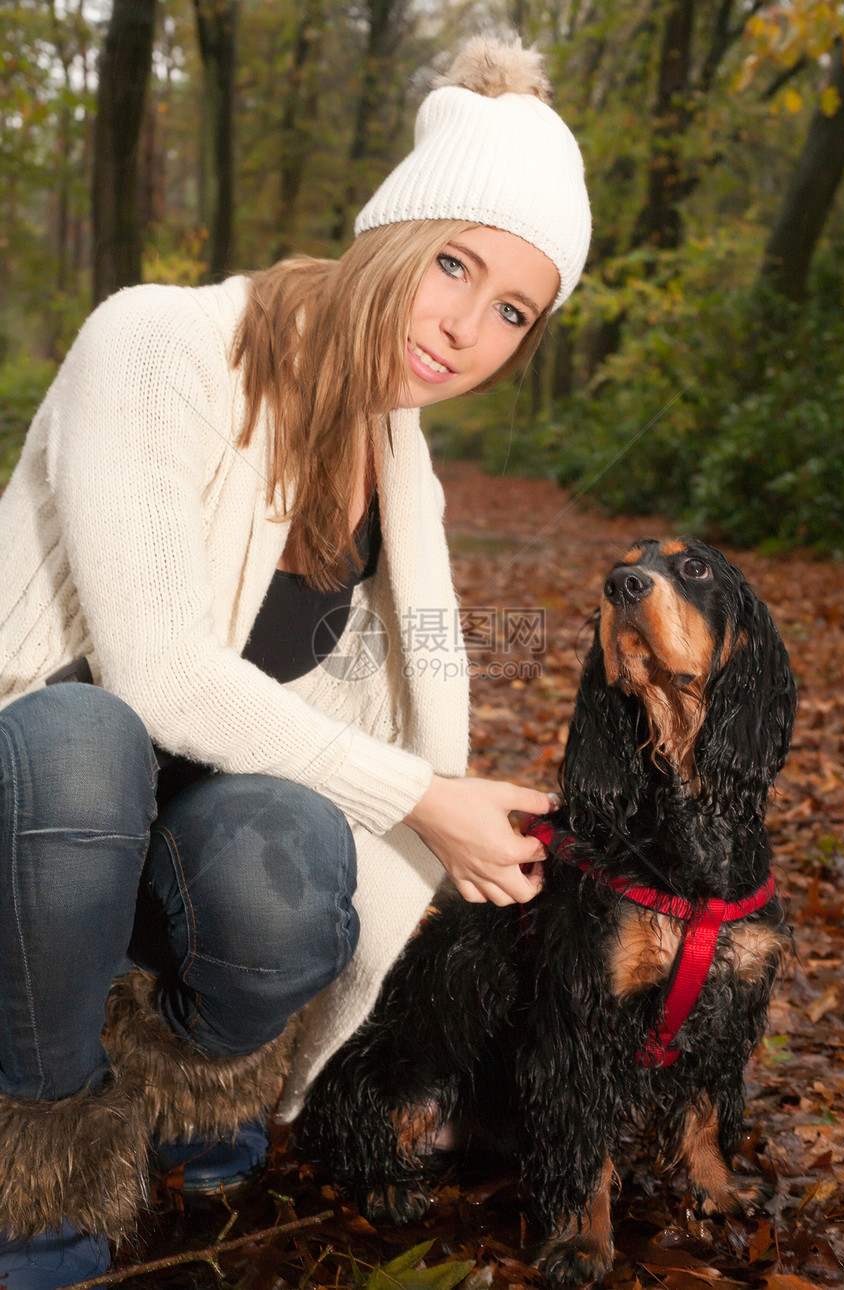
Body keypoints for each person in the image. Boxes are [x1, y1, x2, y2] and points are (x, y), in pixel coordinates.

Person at [0, 34, 591, 1288]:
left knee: (300, 851)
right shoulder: (158, 342)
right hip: (35, 814)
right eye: (453, 263)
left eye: (510, 312)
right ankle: (38, 1139)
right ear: (388, 231)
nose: (463, 328)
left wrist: (500, 815)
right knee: (83, 739)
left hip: (175, 835)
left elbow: (418, 666)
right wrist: (426, 800)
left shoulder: (399, 465)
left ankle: (191, 1072)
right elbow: (155, 673)